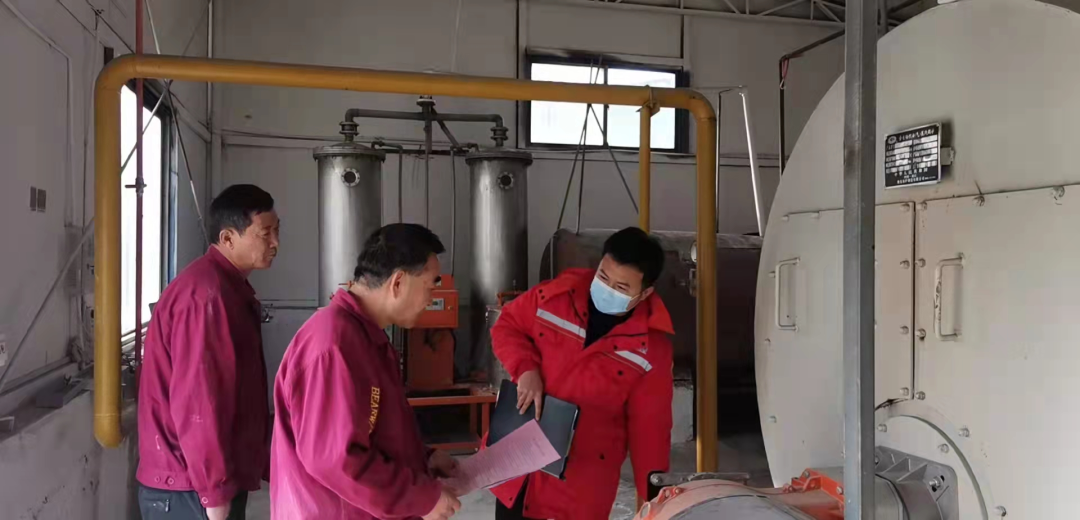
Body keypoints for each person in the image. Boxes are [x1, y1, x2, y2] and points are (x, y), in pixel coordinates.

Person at [271, 223, 462, 520]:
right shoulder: (334, 345)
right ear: (398, 282)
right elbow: (334, 460)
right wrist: (420, 498)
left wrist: (424, 457)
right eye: (430, 285)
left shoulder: (367, 337)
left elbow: (370, 430)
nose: (431, 298)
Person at [490, 227, 673, 520]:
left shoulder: (650, 350)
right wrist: (525, 369)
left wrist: (653, 499)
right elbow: (507, 325)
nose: (608, 289)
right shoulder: (554, 297)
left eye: (621, 287)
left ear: (645, 293)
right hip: (521, 460)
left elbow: (650, 431)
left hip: (582, 478)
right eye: (603, 277)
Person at [137, 184, 280, 520]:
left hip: (203, 482)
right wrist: (214, 493)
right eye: (265, 233)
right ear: (228, 238)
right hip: (189, 489)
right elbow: (199, 402)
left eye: (277, 231)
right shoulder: (206, 296)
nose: (275, 243)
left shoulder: (227, 287)